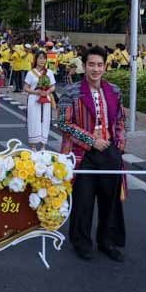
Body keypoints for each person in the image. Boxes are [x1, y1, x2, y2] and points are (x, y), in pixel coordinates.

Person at [58, 46, 126, 262]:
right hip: (82, 153)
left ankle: (107, 241)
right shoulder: (72, 91)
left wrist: (119, 146)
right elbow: (62, 123)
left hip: (109, 153)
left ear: (105, 66)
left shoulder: (115, 91)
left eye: (99, 65)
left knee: (110, 201)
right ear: (84, 66)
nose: (95, 69)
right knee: (84, 201)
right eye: (91, 64)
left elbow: (120, 120)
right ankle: (81, 242)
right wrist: (90, 140)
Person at [24, 51, 57, 150]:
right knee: (34, 120)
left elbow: (53, 86)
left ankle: (43, 146)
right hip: (34, 99)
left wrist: (47, 92)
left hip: (45, 99)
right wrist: (36, 92)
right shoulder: (31, 73)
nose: (42, 60)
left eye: (44, 58)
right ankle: (33, 146)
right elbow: (26, 88)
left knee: (45, 120)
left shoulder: (49, 72)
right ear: (36, 59)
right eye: (40, 58)